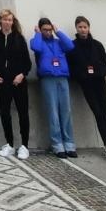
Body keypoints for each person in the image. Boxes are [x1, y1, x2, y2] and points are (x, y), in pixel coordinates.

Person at [68, 16, 106, 161]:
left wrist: (102, 72)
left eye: (85, 27)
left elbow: (105, 63)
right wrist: (81, 76)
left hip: (99, 82)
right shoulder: (73, 46)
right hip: (86, 84)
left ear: (88, 28)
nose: (83, 29)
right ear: (76, 29)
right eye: (80, 27)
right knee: (97, 111)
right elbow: (72, 66)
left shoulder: (97, 45)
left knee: (103, 111)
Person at [30, 17, 76, 158]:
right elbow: (36, 48)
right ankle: (57, 144)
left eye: (50, 30)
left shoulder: (58, 42)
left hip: (62, 77)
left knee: (66, 110)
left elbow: (70, 46)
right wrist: (37, 33)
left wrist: (59, 32)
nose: (48, 32)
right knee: (53, 112)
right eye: (45, 30)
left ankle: (69, 143)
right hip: (48, 78)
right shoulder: (37, 41)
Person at [0, 8, 31, 160]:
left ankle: (24, 145)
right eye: (5, 19)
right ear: (0, 21)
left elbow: (27, 62)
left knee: (22, 113)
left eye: (10, 20)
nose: (7, 22)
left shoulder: (19, 38)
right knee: (4, 113)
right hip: (3, 82)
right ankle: (9, 144)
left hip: (18, 81)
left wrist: (21, 75)